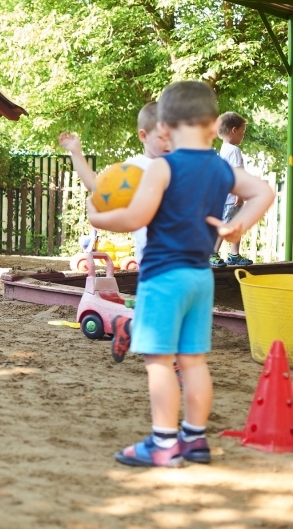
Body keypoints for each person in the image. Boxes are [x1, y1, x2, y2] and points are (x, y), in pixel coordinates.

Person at [88, 81, 273, 467]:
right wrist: (237, 225)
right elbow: (263, 192)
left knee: (159, 361)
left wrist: (98, 217)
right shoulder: (220, 167)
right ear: (214, 126)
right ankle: (194, 438)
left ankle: (163, 443)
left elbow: (135, 218)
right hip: (200, 277)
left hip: (163, 278)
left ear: (165, 127)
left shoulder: (163, 167)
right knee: (193, 361)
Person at [59, 101, 170, 264]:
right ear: (144, 136)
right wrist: (76, 152)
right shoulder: (134, 168)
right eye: (163, 137)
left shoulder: (180, 164)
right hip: (153, 260)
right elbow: (96, 186)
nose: (169, 143)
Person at [211, 112, 252, 267]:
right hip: (232, 198)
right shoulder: (234, 151)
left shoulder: (223, 150)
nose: (243, 136)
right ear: (234, 130)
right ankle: (212, 253)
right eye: (242, 132)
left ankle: (234, 254)